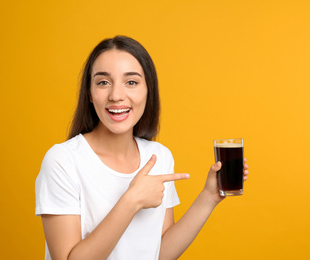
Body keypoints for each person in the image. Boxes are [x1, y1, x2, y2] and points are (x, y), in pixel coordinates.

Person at [35, 35, 249, 260]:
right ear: (89, 93)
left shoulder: (158, 156)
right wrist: (131, 200)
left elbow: (160, 253)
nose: (116, 96)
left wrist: (209, 197)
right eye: (103, 82)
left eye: (131, 82)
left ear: (149, 90)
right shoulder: (63, 160)